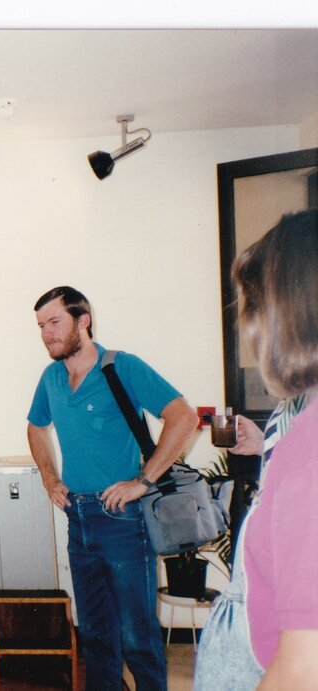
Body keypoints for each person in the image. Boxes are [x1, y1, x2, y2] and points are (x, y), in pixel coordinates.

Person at [26, 286, 198, 691]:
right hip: (78, 517)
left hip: (121, 519)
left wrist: (143, 481)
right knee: (97, 636)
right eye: (40, 326)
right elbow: (35, 427)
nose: (46, 333)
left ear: (82, 321)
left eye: (54, 322)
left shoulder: (121, 366)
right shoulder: (51, 377)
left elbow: (183, 417)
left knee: (137, 638)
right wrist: (50, 478)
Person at [195, 209, 318, 689]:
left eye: (254, 310)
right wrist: (266, 445)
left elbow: (305, 666)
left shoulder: (308, 453)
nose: (250, 333)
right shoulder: (300, 431)